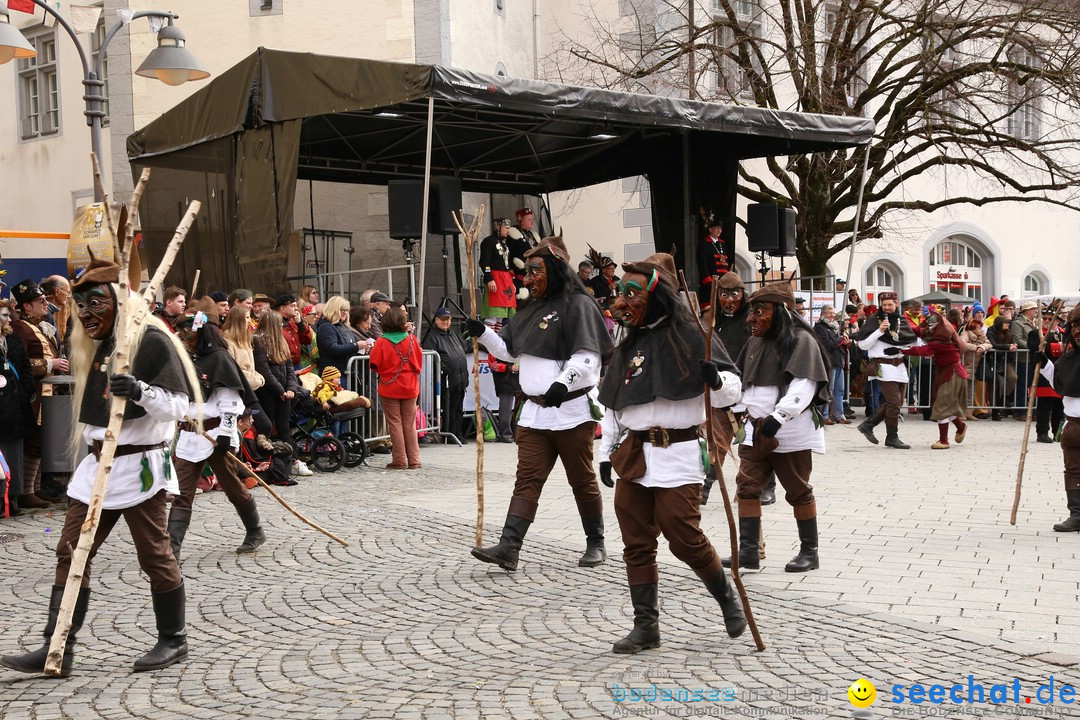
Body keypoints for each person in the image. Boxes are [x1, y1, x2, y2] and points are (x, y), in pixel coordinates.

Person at [0, 259, 198, 676]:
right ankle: (58, 646)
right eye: (80, 306)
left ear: (118, 301)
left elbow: (180, 405)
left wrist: (141, 390)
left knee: (154, 555)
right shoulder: (98, 344)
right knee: (70, 551)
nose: (87, 315)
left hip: (137, 467)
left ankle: (173, 639)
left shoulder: (151, 340)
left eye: (96, 303)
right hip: (96, 468)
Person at [596, 252, 746, 654]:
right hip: (635, 454)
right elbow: (614, 403)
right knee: (636, 541)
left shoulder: (695, 332)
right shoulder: (629, 344)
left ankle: (726, 596)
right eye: (620, 292)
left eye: (632, 292)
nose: (622, 301)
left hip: (679, 452)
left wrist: (716, 378)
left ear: (655, 294)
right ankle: (646, 627)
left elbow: (733, 389)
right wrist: (606, 451)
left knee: (683, 535)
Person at [465, 234, 613, 571]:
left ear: (556, 269)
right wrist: (483, 332)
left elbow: (588, 357)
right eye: (527, 272)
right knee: (527, 479)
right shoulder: (531, 309)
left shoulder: (580, 304)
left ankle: (596, 542)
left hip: (572, 411)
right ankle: (509, 546)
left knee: (581, 478)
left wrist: (564, 383)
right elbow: (509, 350)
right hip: (534, 415)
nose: (527, 278)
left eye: (535, 271)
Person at [725, 281, 830, 573]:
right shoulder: (755, 342)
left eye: (759, 312)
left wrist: (780, 416)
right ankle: (748, 552)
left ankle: (810, 552)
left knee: (797, 490)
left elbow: (804, 383)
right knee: (746, 487)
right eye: (751, 312)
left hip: (789, 431)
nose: (750, 319)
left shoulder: (800, 340)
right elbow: (745, 384)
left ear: (780, 312)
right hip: (754, 432)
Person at [168, 299, 267, 563]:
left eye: (189, 330)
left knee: (232, 487)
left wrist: (225, 432)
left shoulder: (219, 358)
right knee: (182, 492)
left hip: (215, 437)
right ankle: (172, 547)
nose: (183, 335)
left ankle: (255, 530)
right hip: (190, 437)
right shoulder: (187, 359)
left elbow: (230, 399)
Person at [10, 279, 69, 508]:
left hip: (50, 392)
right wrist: (49, 364)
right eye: (40, 300)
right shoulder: (21, 328)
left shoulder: (41, 325)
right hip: (36, 393)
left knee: (44, 440)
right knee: (35, 440)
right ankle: (26, 491)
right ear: (26, 306)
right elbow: (20, 362)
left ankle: (34, 488)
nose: (46, 303)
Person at [702, 271, 755, 505]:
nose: (729, 300)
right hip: (721, 389)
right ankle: (705, 487)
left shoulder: (752, 319)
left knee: (753, 441)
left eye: (735, 294)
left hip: (750, 388)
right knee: (719, 439)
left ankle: (757, 487)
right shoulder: (711, 320)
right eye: (724, 294)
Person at [887, 311, 969, 449]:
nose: (928, 328)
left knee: (941, 406)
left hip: (952, 374)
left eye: (931, 326)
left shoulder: (942, 340)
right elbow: (921, 331)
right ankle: (960, 427)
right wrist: (903, 323)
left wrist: (901, 350)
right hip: (949, 373)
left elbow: (922, 350)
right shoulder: (942, 335)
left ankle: (944, 441)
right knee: (945, 405)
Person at [1035, 305, 1080, 532]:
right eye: (1075, 326)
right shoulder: (1070, 357)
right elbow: (1058, 381)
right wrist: (1044, 363)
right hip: (1072, 425)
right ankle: (1077, 515)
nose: (1079, 331)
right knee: (1073, 470)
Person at [855, 292, 918, 449]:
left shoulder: (901, 320)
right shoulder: (874, 321)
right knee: (893, 402)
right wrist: (879, 332)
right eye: (884, 305)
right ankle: (892, 437)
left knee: (896, 403)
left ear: (896, 304)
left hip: (900, 366)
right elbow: (863, 345)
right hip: (883, 366)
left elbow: (909, 341)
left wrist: (903, 349)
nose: (887, 308)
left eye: (890, 305)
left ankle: (869, 424)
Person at [370, 305, 424, 469]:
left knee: (395, 424)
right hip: (410, 386)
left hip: (389, 386)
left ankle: (399, 460)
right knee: (409, 423)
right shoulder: (411, 340)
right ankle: (414, 460)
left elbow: (374, 365)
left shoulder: (381, 341)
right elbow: (418, 365)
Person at [0, 301, 35, 517]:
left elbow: (25, 367)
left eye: (7, 315)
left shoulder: (12, 339)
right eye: (3, 315)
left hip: (14, 406)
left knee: (13, 452)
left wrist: (24, 392)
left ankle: (12, 498)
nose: (7, 319)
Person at [422, 307, 468, 442]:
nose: (446, 322)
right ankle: (450, 435)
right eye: (443, 319)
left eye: (448, 319)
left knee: (458, 407)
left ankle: (458, 434)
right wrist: (442, 367)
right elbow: (430, 356)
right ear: (436, 320)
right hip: (445, 380)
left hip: (460, 377)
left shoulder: (452, 334)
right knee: (449, 408)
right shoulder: (432, 337)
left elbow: (466, 346)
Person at [1030, 307, 1066, 443]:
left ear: (1057, 321)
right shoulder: (1035, 333)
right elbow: (1036, 347)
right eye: (1044, 318)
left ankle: (1058, 432)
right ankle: (1042, 433)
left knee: (1059, 405)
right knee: (1044, 405)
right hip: (1043, 373)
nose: (1046, 321)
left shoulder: (1064, 333)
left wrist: (1060, 347)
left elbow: (1070, 348)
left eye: (1050, 319)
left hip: (1061, 373)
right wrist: (1059, 348)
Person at [814, 305, 850, 425]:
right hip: (829, 362)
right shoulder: (820, 327)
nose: (832, 315)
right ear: (823, 314)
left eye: (833, 313)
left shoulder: (835, 327)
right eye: (829, 313)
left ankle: (839, 415)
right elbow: (827, 344)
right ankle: (824, 415)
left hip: (838, 361)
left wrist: (845, 342)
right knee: (828, 390)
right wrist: (840, 340)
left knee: (839, 390)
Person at [479, 218, 519, 321]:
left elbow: (507, 265)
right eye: (506, 228)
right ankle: (490, 336)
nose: (508, 231)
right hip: (495, 279)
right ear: (498, 227)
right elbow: (484, 262)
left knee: (501, 317)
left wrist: (512, 282)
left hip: (505, 280)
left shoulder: (505, 244)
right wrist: (489, 279)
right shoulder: (489, 241)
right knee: (493, 314)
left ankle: (497, 337)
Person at [962, 302, 992, 420]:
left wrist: (982, 347)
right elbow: (962, 343)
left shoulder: (982, 336)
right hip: (966, 366)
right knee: (963, 392)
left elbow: (989, 343)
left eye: (981, 312)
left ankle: (969, 412)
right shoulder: (966, 332)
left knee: (971, 392)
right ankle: (961, 413)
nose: (981, 329)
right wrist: (975, 348)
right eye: (979, 328)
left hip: (976, 367)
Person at [985, 315, 1018, 421]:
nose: (1008, 325)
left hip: (1007, 360)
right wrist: (1008, 347)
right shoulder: (991, 331)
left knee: (1013, 377)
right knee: (995, 385)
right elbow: (993, 344)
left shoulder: (1009, 332)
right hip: (994, 360)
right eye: (1005, 323)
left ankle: (1003, 399)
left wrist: (1014, 346)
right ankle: (995, 411)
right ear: (1000, 323)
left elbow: (1013, 341)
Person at [696, 210, 730, 309]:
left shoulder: (722, 244)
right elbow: (703, 265)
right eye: (717, 228)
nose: (719, 231)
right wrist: (709, 283)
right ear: (710, 229)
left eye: (720, 228)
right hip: (710, 285)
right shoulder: (704, 244)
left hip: (722, 284)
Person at [273, 294, 313, 371]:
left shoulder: (293, 325)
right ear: (283, 308)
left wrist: (300, 323)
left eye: (296, 306)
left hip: (296, 366)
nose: (296, 309)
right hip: (282, 367)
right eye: (292, 306)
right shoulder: (273, 326)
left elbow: (307, 340)